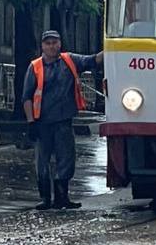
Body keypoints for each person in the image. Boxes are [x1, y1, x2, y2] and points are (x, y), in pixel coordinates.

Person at [22, 30, 103, 210]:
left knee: (66, 159)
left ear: (60, 44)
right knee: (42, 162)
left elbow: (93, 60)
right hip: (42, 122)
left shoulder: (70, 60)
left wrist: (114, 47)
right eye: (48, 43)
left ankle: (62, 197)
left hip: (64, 120)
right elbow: (26, 97)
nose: (52, 46)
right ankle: (45, 198)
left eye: (55, 42)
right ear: (42, 46)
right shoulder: (34, 67)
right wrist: (31, 122)